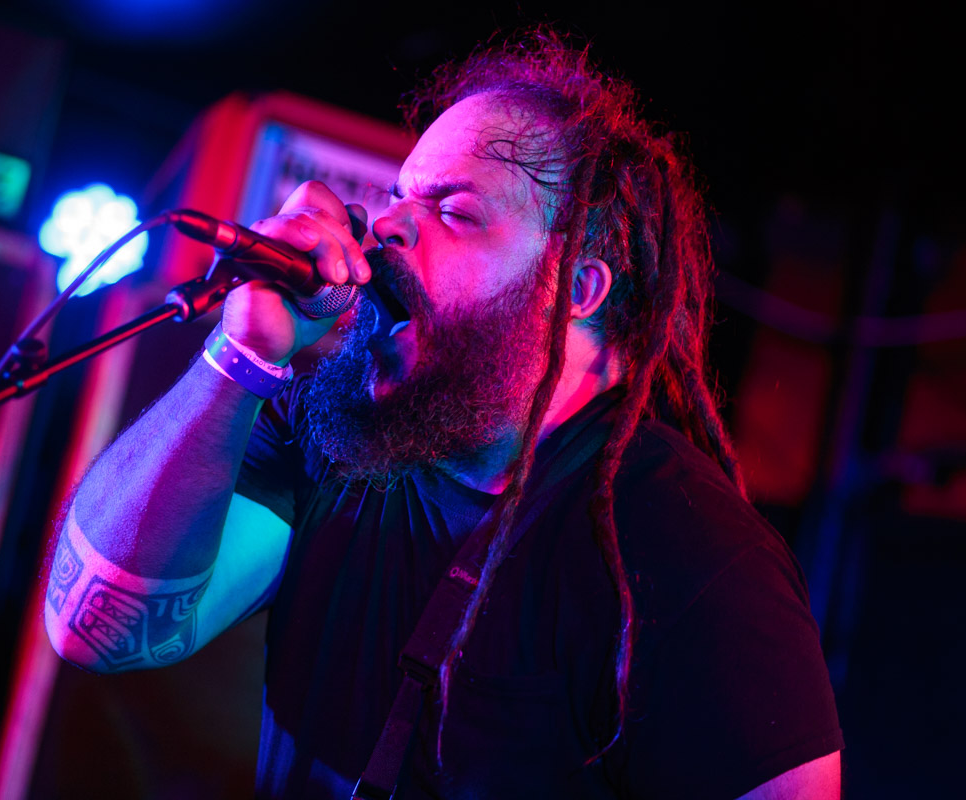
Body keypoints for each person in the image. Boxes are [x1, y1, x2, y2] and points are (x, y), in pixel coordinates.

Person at [44, 27, 844, 799]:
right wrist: (240, 355)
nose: (387, 224)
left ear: (577, 288)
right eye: (397, 198)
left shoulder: (691, 553)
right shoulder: (335, 431)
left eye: (454, 211)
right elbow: (94, 631)